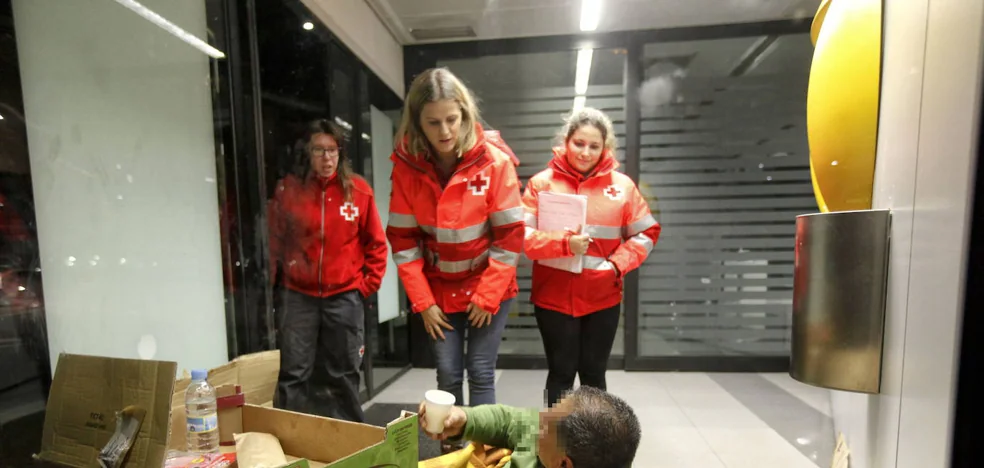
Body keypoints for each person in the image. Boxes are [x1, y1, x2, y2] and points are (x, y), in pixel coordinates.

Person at [386, 68, 524, 411]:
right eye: (433, 123)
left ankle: (482, 457)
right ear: (418, 123)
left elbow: (509, 238)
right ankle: (452, 452)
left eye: (452, 119)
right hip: (437, 289)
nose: (445, 131)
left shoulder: (495, 162)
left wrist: (488, 295)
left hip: (487, 282)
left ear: (465, 114)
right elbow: (403, 242)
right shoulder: (406, 168)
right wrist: (423, 303)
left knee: (480, 370)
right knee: (447, 373)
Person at [522, 108, 661, 405]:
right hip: (553, 298)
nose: (585, 152)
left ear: (605, 148)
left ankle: (595, 447)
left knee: (594, 375)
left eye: (594, 146)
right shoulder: (540, 184)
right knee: (560, 373)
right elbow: (522, 238)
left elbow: (646, 233)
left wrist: (616, 265)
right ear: (566, 141)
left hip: (603, 297)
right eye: (579, 143)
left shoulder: (622, 187)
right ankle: (554, 443)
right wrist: (564, 244)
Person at [267, 119, 387, 422]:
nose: (326, 158)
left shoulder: (358, 191)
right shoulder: (289, 191)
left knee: (345, 372)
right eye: (319, 150)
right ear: (308, 153)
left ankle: (352, 439)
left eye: (332, 150)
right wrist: (276, 283)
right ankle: (292, 439)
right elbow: (275, 242)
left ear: (340, 153)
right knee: (294, 371)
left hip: (345, 296)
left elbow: (376, 245)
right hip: (298, 297)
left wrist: (365, 286)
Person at [419, 385, 641, 468]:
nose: (539, 420)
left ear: (563, 464)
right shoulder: (560, 446)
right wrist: (465, 419)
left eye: (544, 427)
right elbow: (509, 420)